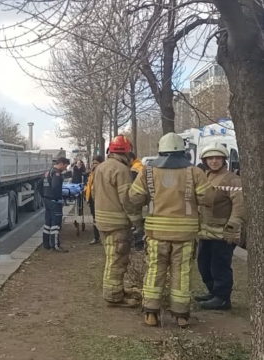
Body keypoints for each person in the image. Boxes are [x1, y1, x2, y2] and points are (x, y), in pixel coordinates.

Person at [129, 132, 212, 327]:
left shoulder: (148, 171)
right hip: (185, 234)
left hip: (156, 233)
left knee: (154, 270)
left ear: (160, 150)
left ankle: (150, 313)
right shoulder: (195, 172)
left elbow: (134, 198)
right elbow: (207, 199)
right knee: (181, 273)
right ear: (183, 151)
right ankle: (181, 315)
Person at [93, 135, 143, 307]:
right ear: (127, 151)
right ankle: (114, 296)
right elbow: (127, 201)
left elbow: (94, 194)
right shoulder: (121, 170)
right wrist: (138, 222)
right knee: (117, 261)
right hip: (117, 224)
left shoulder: (101, 168)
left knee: (111, 258)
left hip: (102, 222)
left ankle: (117, 290)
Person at [195, 143, 245, 310]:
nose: (214, 161)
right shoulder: (206, 176)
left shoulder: (233, 179)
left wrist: (232, 226)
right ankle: (213, 292)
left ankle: (222, 298)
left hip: (224, 233)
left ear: (224, 160)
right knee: (203, 264)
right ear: (205, 160)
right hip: (206, 232)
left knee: (220, 265)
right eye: (210, 158)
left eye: (218, 158)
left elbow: (240, 205)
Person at [38, 157, 70, 252]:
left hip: (47, 200)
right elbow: (56, 186)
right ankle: (55, 246)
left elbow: (39, 185)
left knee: (48, 223)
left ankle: (46, 244)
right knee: (56, 223)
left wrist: (44, 195)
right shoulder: (56, 173)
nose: (65, 168)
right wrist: (57, 198)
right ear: (61, 164)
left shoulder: (47, 172)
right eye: (65, 166)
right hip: (54, 201)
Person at [85, 155, 104, 245]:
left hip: (100, 199)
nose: (95, 165)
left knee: (101, 219)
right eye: (93, 163)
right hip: (92, 199)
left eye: (96, 163)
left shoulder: (103, 172)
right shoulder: (92, 172)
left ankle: (102, 237)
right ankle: (96, 237)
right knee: (95, 219)